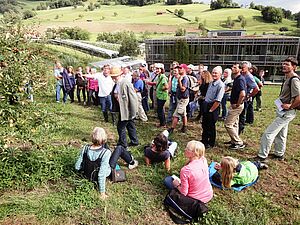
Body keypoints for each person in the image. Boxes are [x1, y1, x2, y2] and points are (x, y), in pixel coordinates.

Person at [256, 57, 300, 162]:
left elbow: (299, 97)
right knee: (282, 133)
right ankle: (279, 154)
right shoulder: (288, 78)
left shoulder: (294, 80)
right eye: (283, 64)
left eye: (287, 64)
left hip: (287, 112)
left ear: (294, 67)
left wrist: (290, 106)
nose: (284, 66)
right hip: (283, 110)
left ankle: (262, 156)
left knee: (268, 133)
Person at [75, 127, 138, 200]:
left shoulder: (85, 148)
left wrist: (81, 173)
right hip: (102, 172)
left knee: (104, 147)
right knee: (119, 148)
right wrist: (102, 193)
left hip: (87, 174)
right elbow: (101, 174)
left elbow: (77, 166)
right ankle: (132, 162)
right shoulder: (106, 153)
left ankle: (129, 159)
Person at [110, 67, 139, 148]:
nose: (112, 78)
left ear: (119, 75)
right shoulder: (117, 83)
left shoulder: (126, 83)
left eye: (114, 76)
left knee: (120, 127)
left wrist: (133, 111)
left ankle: (123, 144)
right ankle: (135, 141)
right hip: (121, 109)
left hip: (127, 110)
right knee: (130, 125)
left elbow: (133, 98)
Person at [201, 66, 225, 148]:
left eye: (216, 73)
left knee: (211, 126)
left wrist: (211, 110)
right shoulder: (211, 83)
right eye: (213, 72)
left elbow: (218, 100)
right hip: (206, 105)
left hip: (213, 106)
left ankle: (210, 143)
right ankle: (204, 140)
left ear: (220, 74)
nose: (214, 74)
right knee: (204, 124)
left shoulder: (221, 85)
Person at [224, 63, 246, 150]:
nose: (233, 68)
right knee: (234, 124)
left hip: (236, 106)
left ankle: (238, 142)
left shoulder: (240, 79)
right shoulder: (237, 79)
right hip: (236, 104)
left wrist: (237, 104)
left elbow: (242, 93)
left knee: (228, 124)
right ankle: (234, 141)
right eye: (232, 67)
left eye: (235, 67)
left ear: (240, 69)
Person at [168, 64, 189, 133]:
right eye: (179, 68)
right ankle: (185, 127)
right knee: (183, 114)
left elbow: (183, 89)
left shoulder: (185, 78)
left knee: (176, 114)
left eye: (181, 68)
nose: (179, 69)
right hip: (180, 98)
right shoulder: (181, 77)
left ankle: (172, 129)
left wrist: (179, 81)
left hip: (183, 99)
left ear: (184, 70)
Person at [239, 61, 259, 134]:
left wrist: (249, 96)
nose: (241, 69)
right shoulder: (242, 74)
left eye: (243, 67)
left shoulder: (249, 76)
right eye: (240, 67)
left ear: (248, 68)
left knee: (242, 115)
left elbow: (256, 88)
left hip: (244, 99)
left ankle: (240, 130)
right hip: (239, 97)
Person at [155, 63, 168, 127]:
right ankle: (162, 123)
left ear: (161, 69)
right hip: (159, 95)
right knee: (159, 110)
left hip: (162, 96)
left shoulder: (163, 77)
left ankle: (163, 124)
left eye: (158, 69)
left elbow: (166, 86)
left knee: (160, 110)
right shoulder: (159, 76)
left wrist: (161, 89)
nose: (156, 70)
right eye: (156, 69)